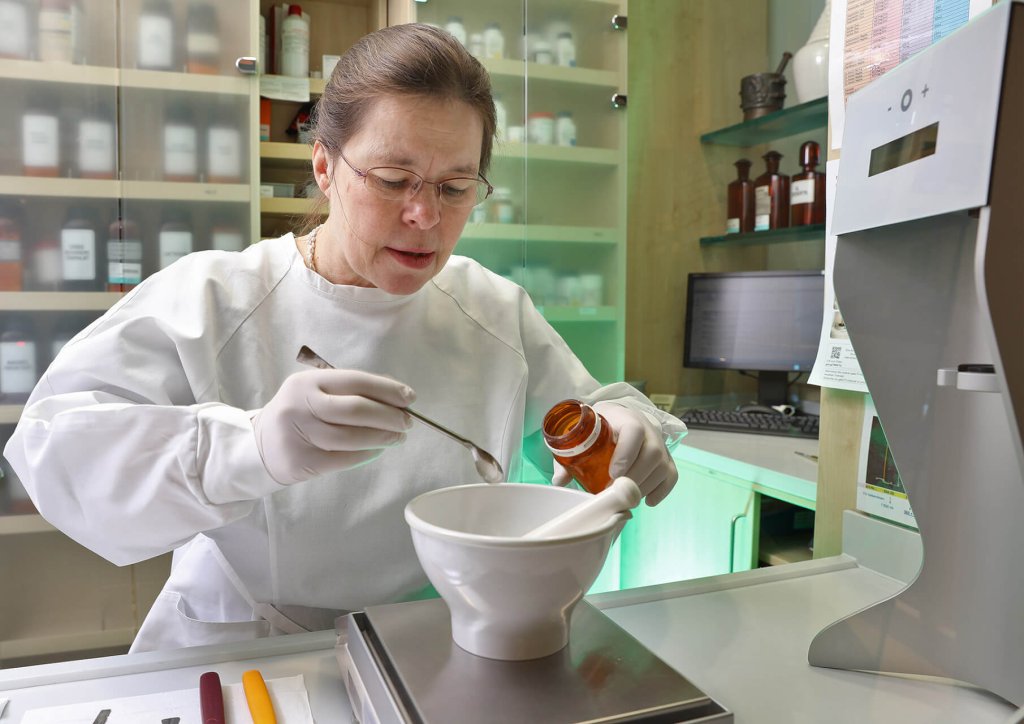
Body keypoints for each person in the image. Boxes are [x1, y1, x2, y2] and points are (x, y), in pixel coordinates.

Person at [4, 23, 684, 653]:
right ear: (325, 168)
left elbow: (587, 414)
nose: (423, 216)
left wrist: (629, 421)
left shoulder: (490, 307)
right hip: (244, 646)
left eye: (455, 188)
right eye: (393, 180)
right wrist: (251, 445)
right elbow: (52, 450)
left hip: (428, 642)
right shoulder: (217, 297)